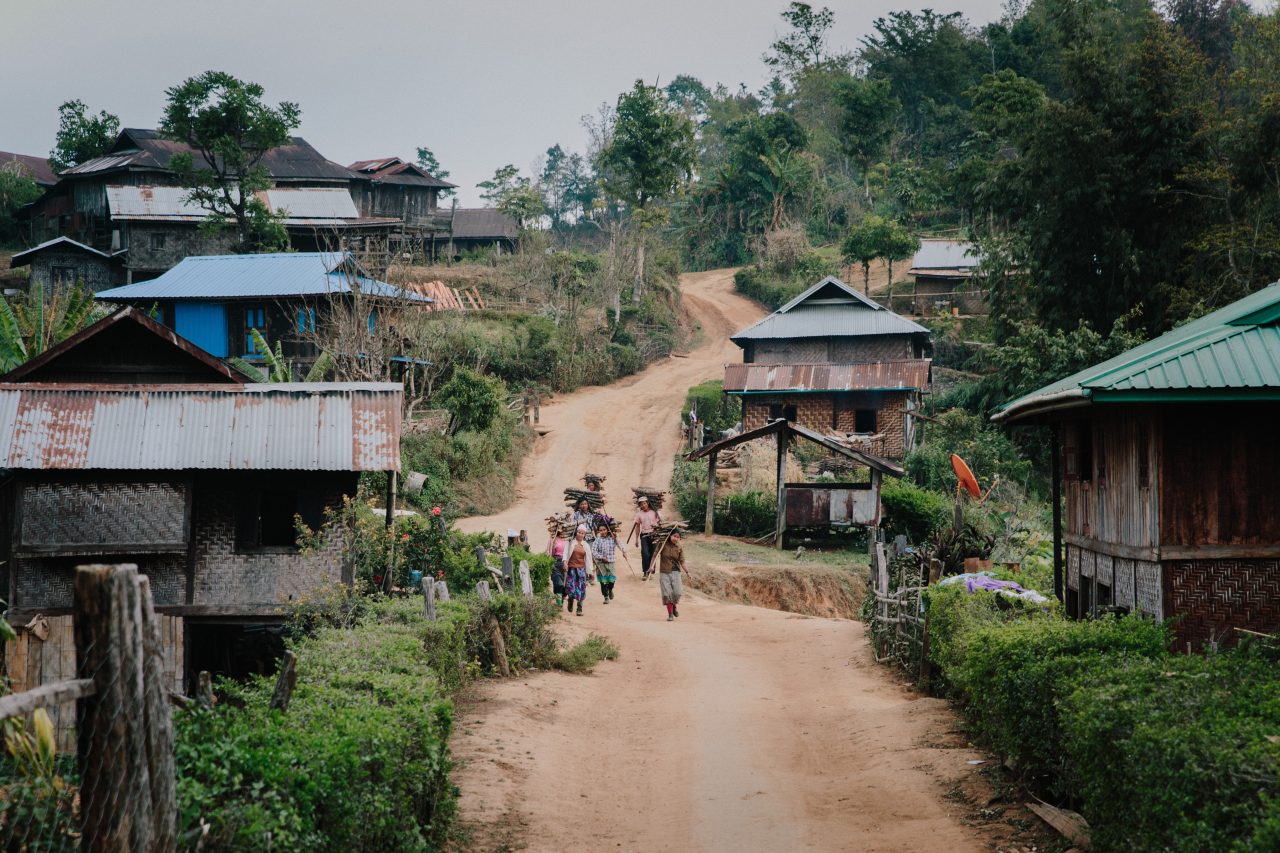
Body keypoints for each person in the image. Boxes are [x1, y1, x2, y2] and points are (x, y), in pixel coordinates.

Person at [591, 521, 627, 604]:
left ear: (607, 529)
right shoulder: (597, 540)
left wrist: (624, 552)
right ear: (598, 531)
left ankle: (610, 589)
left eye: (604, 529)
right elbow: (594, 551)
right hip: (601, 564)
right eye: (601, 530)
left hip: (611, 562)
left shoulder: (612, 538)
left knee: (611, 580)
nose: (603, 532)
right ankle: (606, 597)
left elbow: (619, 544)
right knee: (603, 581)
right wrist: (601, 557)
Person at [657, 530, 690, 621]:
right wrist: (651, 567)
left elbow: (682, 561)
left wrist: (687, 572)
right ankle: (670, 614)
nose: (676, 538)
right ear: (670, 536)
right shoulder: (662, 544)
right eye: (674, 536)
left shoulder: (679, 547)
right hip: (664, 572)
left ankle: (674, 605)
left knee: (677, 592)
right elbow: (655, 555)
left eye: (678, 537)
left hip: (676, 572)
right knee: (667, 594)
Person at [563, 524, 594, 616]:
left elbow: (588, 559)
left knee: (581, 589)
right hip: (572, 569)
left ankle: (579, 609)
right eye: (579, 532)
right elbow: (565, 553)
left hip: (581, 570)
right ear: (576, 532)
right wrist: (565, 562)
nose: (580, 534)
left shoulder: (586, 546)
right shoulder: (570, 543)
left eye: (582, 533)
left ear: (584, 535)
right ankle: (570, 600)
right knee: (571, 587)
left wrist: (590, 572)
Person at [630, 496, 661, 580]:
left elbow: (660, 523)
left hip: (654, 534)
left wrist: (658, 533)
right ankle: (645, 573)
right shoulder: (639, 514)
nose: (643, 505)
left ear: (647, 503)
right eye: (641, 504)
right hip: (644, 535)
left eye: (644, 503)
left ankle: (650, 572)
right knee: (645, 553)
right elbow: (637, 526)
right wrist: (636, 539)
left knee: (653, 553)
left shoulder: (655, 512)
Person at [546, 526, 570, 606]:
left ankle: (561, 598)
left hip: (566, 563)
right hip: (556, 562)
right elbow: (549, 553)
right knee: (558, 583)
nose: (563, 531)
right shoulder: (553, 539)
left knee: (565, 585)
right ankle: (559, 603)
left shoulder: (569, 539)